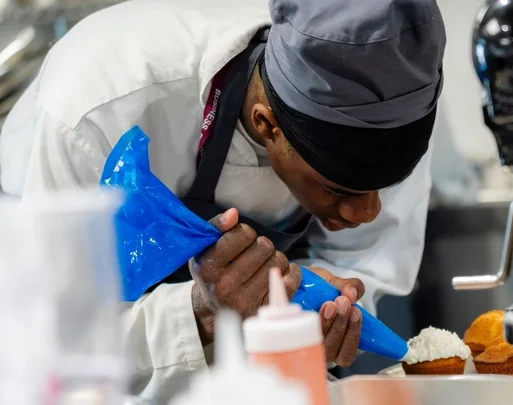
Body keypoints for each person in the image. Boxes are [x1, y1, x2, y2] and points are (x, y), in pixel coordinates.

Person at [0, 0, 445, 402]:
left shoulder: (388, 102)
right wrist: (202, 311)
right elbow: (58, 349)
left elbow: (364, 269)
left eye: (382, 187)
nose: (367, 213)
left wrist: (325, 319)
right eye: (339, 190)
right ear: (266, 123)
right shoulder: (97, 110)